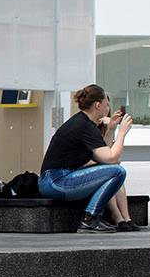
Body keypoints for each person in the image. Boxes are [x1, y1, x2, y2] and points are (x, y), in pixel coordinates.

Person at [39, 83, 138, 234]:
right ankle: (90, 218)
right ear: (98, 105)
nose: (108, 107)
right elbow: (112, 158)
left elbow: (105, 158)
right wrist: (122, 133)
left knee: (113, 170)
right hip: (56, 181)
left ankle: (111, 218)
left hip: (54, 180)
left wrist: (111, 129)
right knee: (118, 172)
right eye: (106, 103)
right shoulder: (84, 126)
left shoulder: (84, 123)